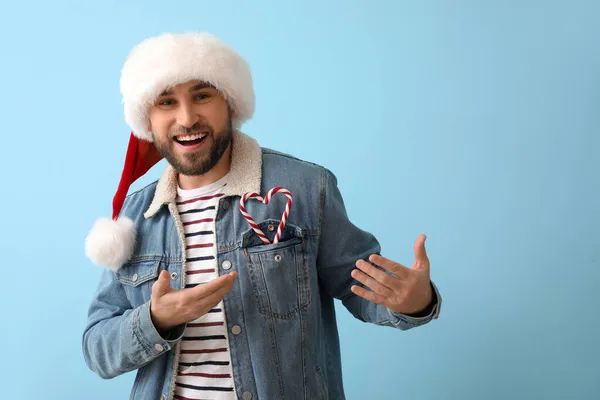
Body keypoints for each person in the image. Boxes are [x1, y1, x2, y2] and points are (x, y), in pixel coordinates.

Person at [82, 31, 442, 400]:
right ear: (148, 120)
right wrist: (157, 320)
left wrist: (415, 301)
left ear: (230, 104)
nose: (187, 118)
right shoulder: (136, 216)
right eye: (166, 102)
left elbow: (364, 287)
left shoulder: (303, 189)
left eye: (202, 95)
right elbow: (97, 348)